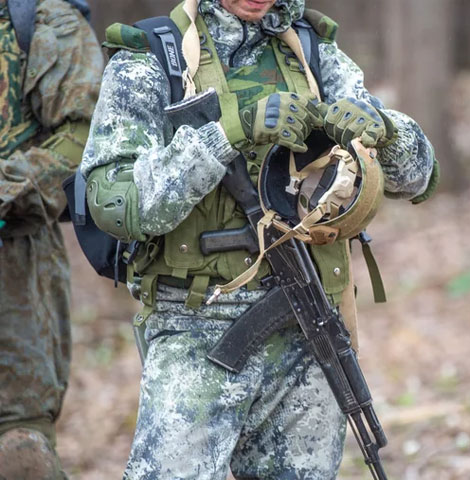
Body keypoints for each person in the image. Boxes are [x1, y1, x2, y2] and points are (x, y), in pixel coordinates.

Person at [80, 0, 438, 478]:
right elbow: (115, 204)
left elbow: (416, 179)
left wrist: (388, 132)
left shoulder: (311, 52)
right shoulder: (152, 56)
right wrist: (225, 134)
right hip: (197, 329)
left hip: (308, 322)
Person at [0, 0, 103, 478]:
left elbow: (88, 133)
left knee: (20, 453)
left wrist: (7, 188)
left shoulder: (41, 23)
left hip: (14, 275)